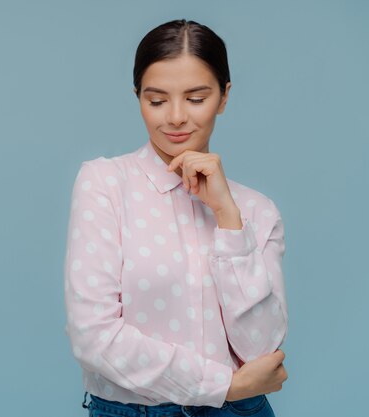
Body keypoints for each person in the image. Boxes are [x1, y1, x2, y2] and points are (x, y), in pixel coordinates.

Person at [63, 19, 289, 417]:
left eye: (197, 98)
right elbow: (92, 336)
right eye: (156, 100)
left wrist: (227, 216)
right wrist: (223, 386)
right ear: (138, 98)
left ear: (224, 97)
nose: (176, 117)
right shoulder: (104, 184)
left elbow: (262, 353)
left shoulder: (255, 210)